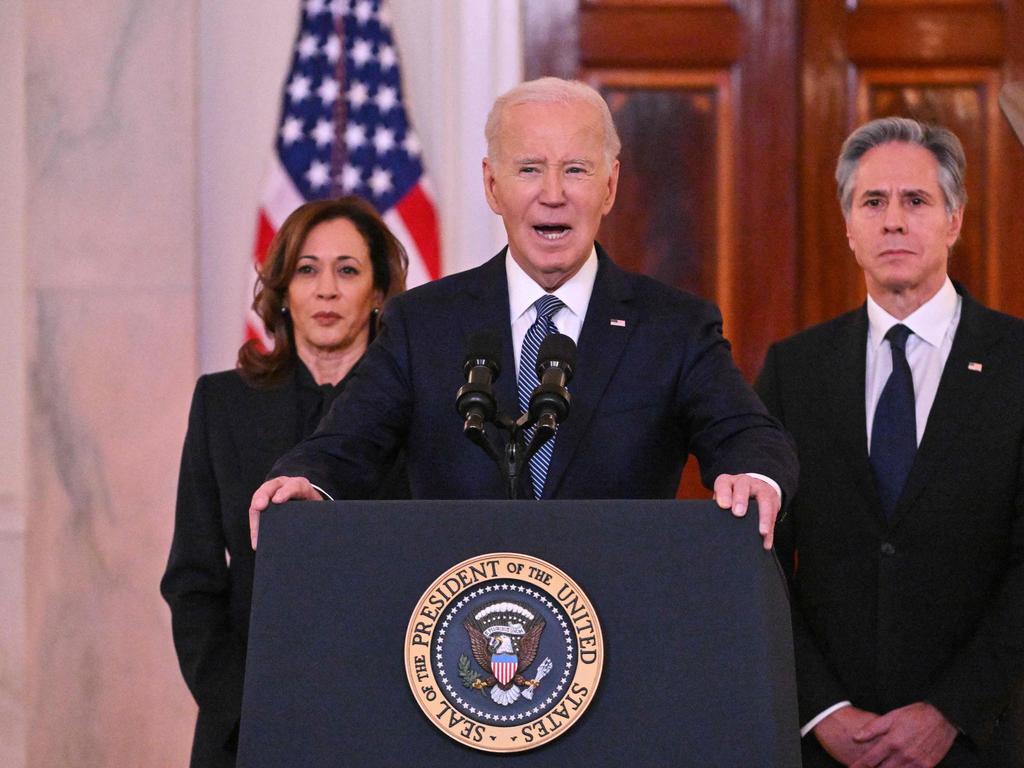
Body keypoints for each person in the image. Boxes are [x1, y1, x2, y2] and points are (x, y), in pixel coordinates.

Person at [249, 77, 798, 549]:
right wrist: (307, 480)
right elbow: (346, 444)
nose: (553, 194)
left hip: (619, 630)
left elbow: (748, 435)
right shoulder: (423, 324)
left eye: (577, 170)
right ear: (493, 185)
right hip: (458, 635)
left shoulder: (673, 327)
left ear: (610, 187)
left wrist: (753, 476)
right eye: (530, 169)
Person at [757, 118, 1024, 767]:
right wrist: (818, 709)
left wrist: (950, 712)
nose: (894, 221)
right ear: (849, 226)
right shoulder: (794, 371)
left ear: (954, 219)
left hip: (979, 741)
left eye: (916, 201)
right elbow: (756, 560)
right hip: (825, 745)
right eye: (872, 202)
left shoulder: (1018, 361)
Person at [160, 197, 408, 768]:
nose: (326, 289)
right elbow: (192, 581)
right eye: (306, 269)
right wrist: (247, 712)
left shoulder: (418, 413)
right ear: (282, 291)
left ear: (376, 294)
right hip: (247, 728)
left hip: (390, 723)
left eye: (347, 270)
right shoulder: (222, 405)